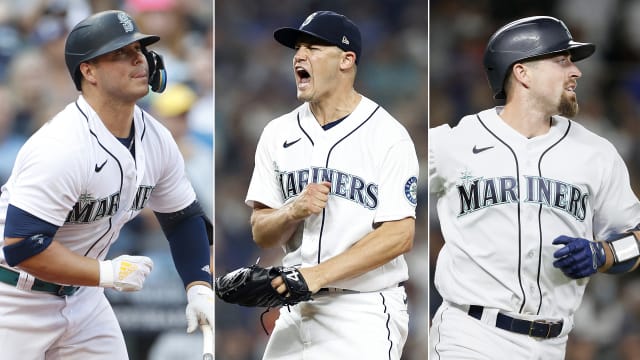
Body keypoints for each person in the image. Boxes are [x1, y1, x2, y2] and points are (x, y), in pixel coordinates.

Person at [0, 10, 213, 359]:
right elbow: (23, 246)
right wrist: (107, 272)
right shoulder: (62, 146)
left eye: (140, 50)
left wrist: (199, 286)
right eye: (121, 53)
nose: (138, 60)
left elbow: (183, 218)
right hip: (13, 298)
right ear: (88, 71)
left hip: (84, 300)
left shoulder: (157, 139)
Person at [429, 15, 640, 359]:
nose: (576, 72)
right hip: (470, 336)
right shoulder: (453, 143)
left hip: (553, 344)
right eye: (562, 61)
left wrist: (606, 254)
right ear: (522, 72)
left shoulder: (596, 153)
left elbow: (636, 236)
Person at [244, 10, 419, 359]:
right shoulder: (277, 133)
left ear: (346, 60)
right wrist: (292, 210)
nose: (299, 56)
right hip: (295, 310)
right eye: (297, 48)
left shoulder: (387, 135)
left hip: (363, 310)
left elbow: (400, 235)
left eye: (313, 47)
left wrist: (317, 275)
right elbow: (262, 232)